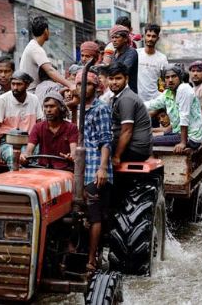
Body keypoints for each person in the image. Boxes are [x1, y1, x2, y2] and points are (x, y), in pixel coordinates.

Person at [77, 69, 113, 274]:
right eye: (80, 84)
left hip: (94, 168)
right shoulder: (78, 108)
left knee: (94, 215)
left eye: (88, 84)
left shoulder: (101, 108)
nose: (84, 88)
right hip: (79, 169)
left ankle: (92, 259)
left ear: (96, 87)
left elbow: (106, 141)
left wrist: (102, 168)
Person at [145, 64, 202, 151]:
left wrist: (183, 143)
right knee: (149, 136)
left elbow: (184, 116)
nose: (170, 80)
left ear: (180, 77)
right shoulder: (168, 93)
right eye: (167, 77)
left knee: (146, 140)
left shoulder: (184, 89)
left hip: (191, 138)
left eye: (174, 76)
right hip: (178, 133)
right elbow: (152, 104)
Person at [0, 71, 43, 166]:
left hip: (30, 142)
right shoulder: (3, 100)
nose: (15, 87)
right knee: (13, 157)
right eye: (13, 84)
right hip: (8, 142)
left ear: (27, 85)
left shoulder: (34, 99)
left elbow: (39, 125)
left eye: (19, 84)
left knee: (40, 158)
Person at [20, 91, 78, 169]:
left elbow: (74, 153)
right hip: (43, 169)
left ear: (61, 108)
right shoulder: (38, 127)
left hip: (64, 170)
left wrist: (71, 157)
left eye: (52, 106)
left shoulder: (71, 128)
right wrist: (24, 157)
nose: (48, 110)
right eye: (46, 107)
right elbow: (29, 151)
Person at [108, 62, 152, 164]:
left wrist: (116, 156)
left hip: (136, 149)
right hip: (134, 147)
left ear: (126, 79)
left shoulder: (126, 98)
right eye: (111, 78)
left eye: (118, 78)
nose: (114, 82)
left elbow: (127, 131)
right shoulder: (118, 97)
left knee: (98, 151)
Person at [19, 15, 74, 92]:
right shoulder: (35, 48)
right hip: (32, 92)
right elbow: (50, 70)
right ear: (46, 31)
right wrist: (70, 85)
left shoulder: (32, 46)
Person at [137, 24, 168, 102]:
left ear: (157, 38)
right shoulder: (136, 54)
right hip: (137, 100)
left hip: (154, 101)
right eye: (148, 35)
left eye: (153, 36)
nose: (150, 39)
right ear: (144, 36)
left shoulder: (162, 58)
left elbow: (165, 80)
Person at [109, 25, 138, 93]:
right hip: (117, 91)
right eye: (112, 38)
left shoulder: (131, 52)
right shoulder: (114, 54)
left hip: (129, 92)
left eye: (117, 37)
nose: (114, 40)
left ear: (125, 39)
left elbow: (123, 70)